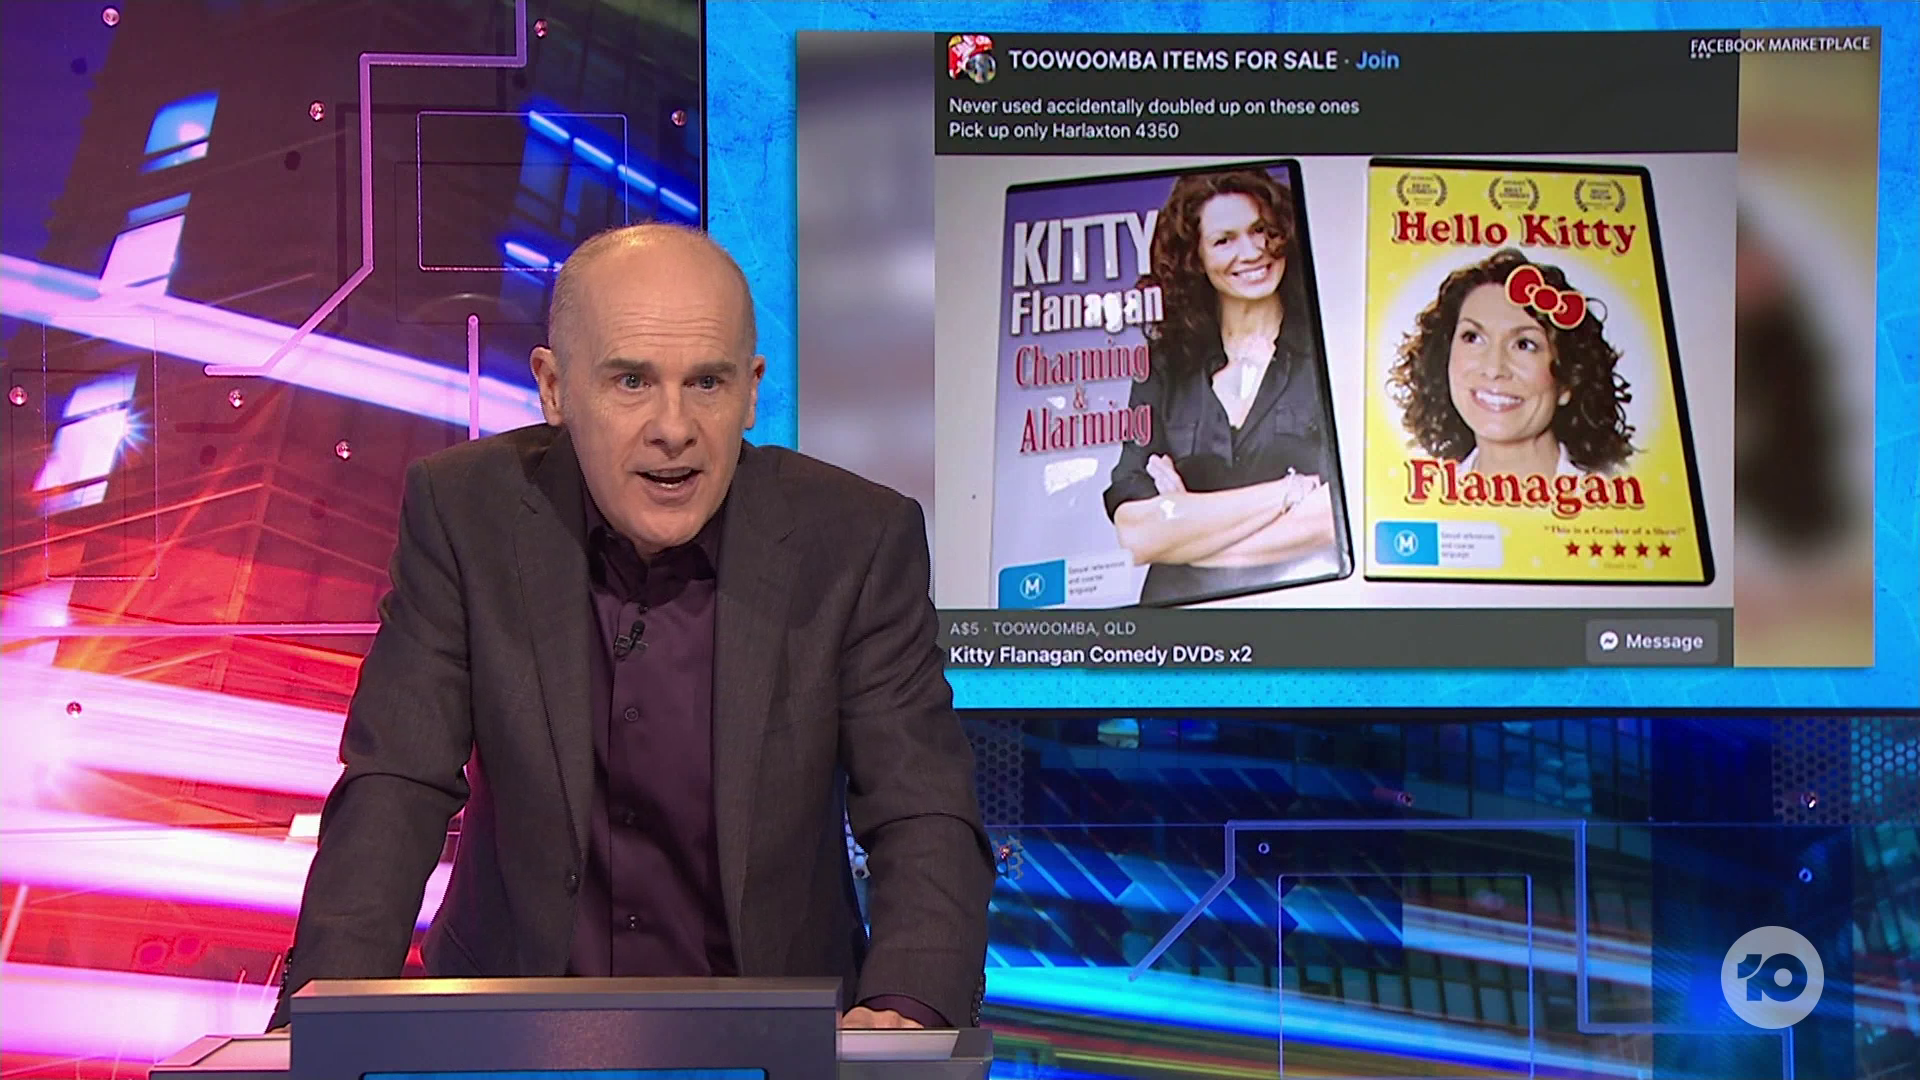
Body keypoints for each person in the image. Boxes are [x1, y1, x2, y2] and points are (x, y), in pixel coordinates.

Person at [270, 224, 994, 1032]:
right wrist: (318, 1022)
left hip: (776, 1037)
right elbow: (397, 783)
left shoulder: (855, 541)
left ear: (752, 390)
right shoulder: (465, 515)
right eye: (632, 381)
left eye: (708, 382)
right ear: (554, 388)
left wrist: (905, 1008)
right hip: (515, 1032)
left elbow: (921, 807)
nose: (674, 428)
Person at [1102, 168, 1341, 605]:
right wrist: (1287, 493)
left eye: (1262, 230)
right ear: (1194, 257)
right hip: (1178, 622)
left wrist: (1186, 530)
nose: (1252, 252)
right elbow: (1138, 533)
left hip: (1300, 611)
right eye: (1224, 240)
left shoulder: (1330, 348)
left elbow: (1334, 518)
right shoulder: (1165, 363)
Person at [1386, 248, 1635, 476]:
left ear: (1568, 380)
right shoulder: (1430, 496)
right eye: (1473, 338)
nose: (1494, 369)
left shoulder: (1613, 496)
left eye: (1524, 344)